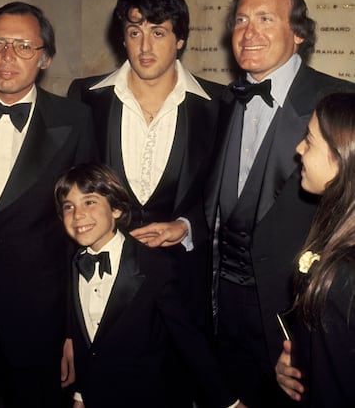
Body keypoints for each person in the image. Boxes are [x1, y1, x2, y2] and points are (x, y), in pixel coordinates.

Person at [204, 0, 355, 407]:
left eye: (265, 19)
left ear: (300, 33)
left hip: (296, 322)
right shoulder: (223, 100)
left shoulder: (340, 102)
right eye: (240, 20)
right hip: (221, 310)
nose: (248, 33)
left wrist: (305, 347)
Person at [0, 2, 96, 408]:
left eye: (24, 46)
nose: (9, 57)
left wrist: (71, 330)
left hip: (39, 324)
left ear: (45, 57)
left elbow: (84, 235)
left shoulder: (75, 121)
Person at [68, 0, 225, 332]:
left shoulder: (218, 105)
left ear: (180, 39)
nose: (145, 46)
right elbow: (70, 189)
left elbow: (221, 195)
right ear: (122, 37)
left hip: (181, 283)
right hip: (102, 282)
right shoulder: (86, 97)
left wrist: (185, 228)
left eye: (158, 32)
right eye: (135, 32)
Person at [54, 163, 243, 408]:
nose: (77, 214)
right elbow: (87, 339)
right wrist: (80, 395)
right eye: (69, 206)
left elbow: (188, 337)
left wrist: (229, 401)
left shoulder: (152, 264)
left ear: (116, 209)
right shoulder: (76, 263)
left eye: (90, 202)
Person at [275, 92, 355, 407]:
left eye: (309, 141)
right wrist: (300, 363)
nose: (298, 150)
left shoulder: (346, 274)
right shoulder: (335, 226)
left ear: (341, 158)